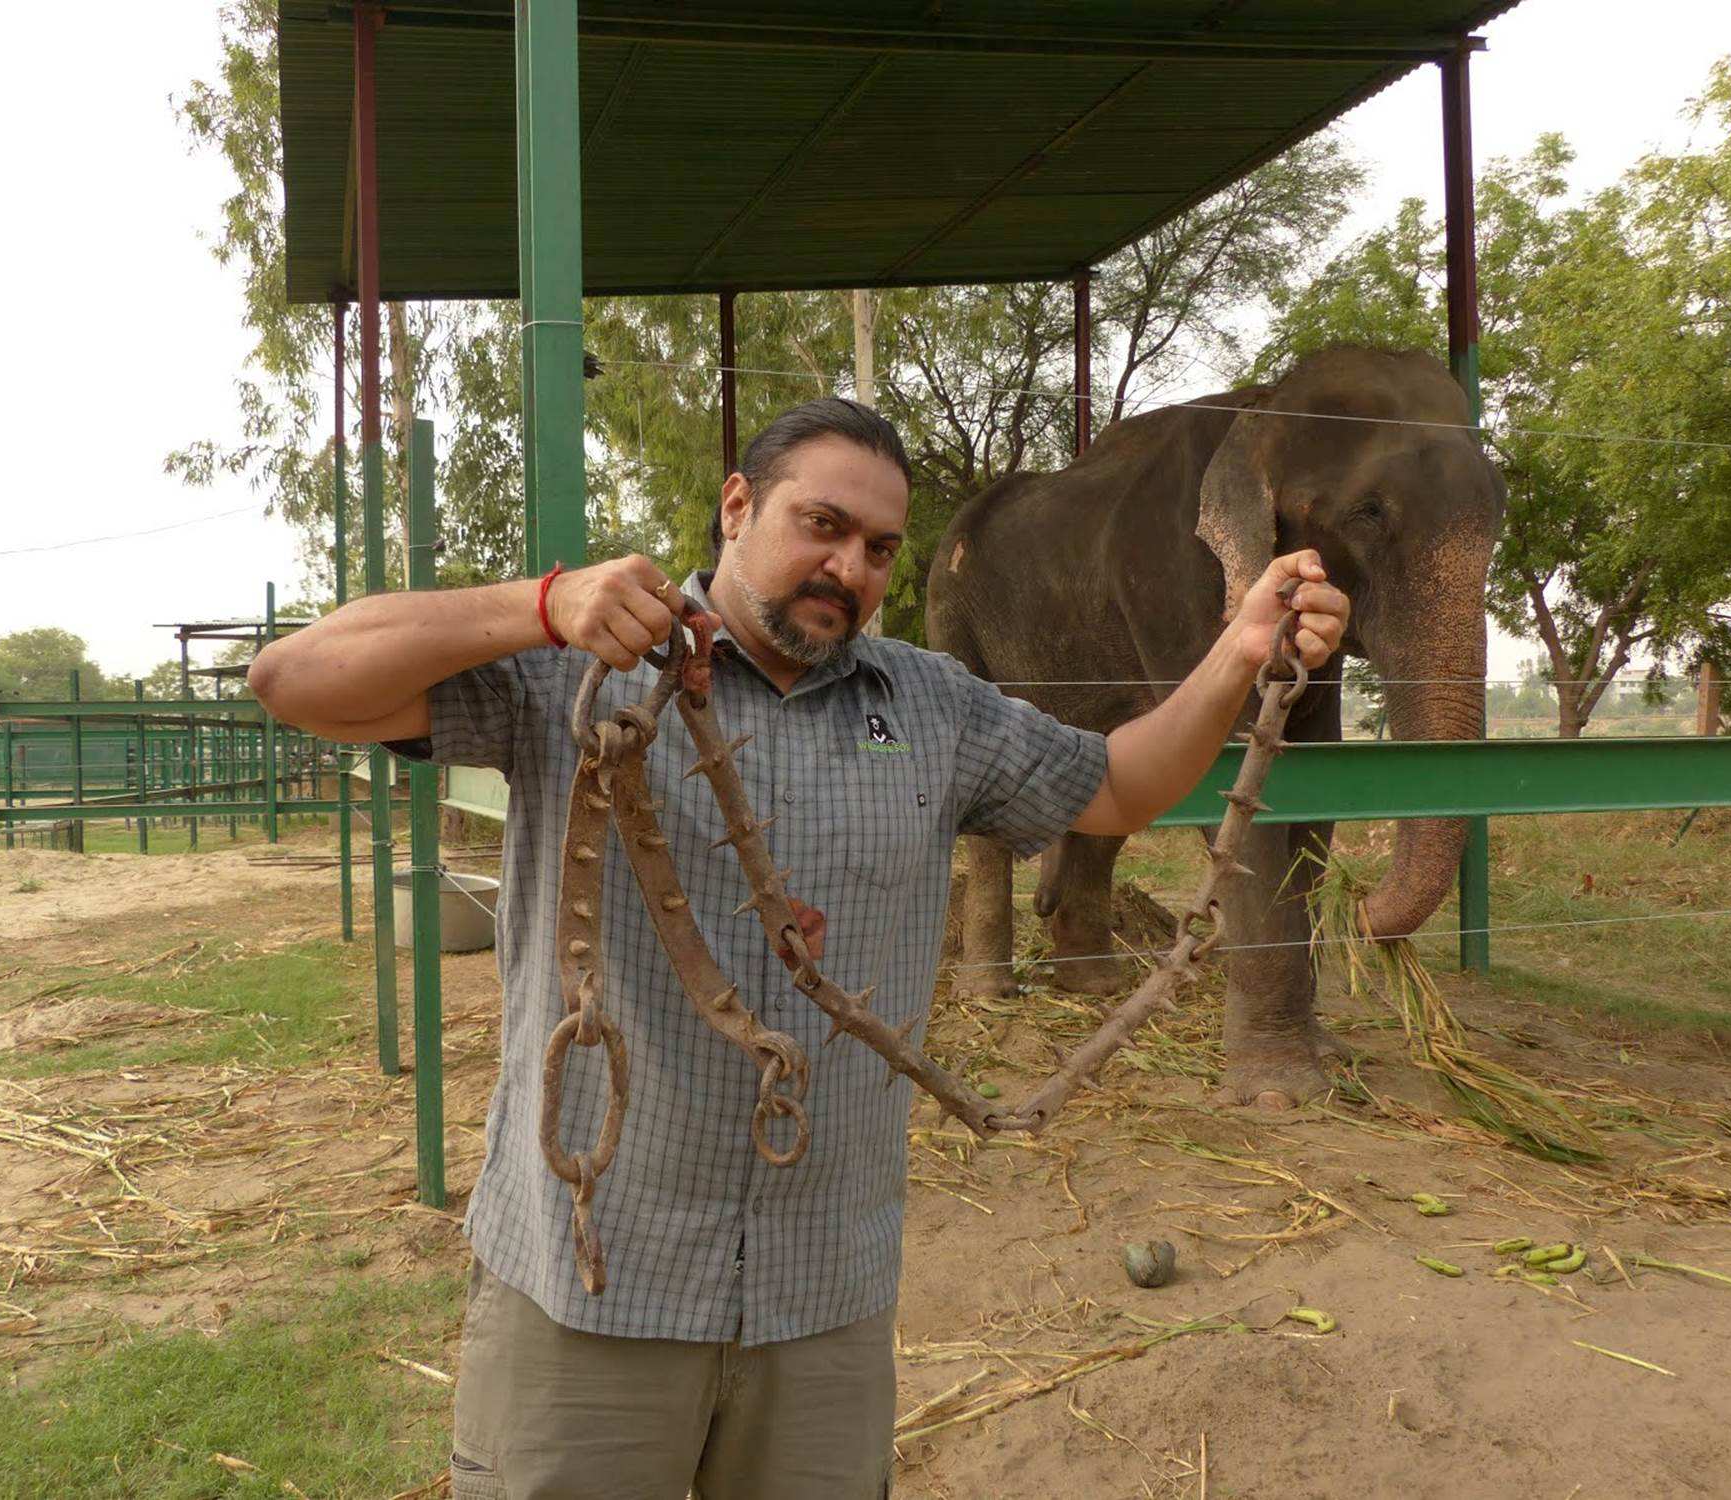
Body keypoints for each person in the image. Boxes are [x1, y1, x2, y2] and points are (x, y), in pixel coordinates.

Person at [248, 398, 1349, 1500]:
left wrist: (1238, 652)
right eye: (822, 525)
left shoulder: (932, 706)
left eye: (879, 549)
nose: (848, 568)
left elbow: (1116, 786)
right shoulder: (579, 667)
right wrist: (537, 603)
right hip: (591, 1281)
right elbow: (292, 681)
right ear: (737, 507)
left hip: (820, 1302)